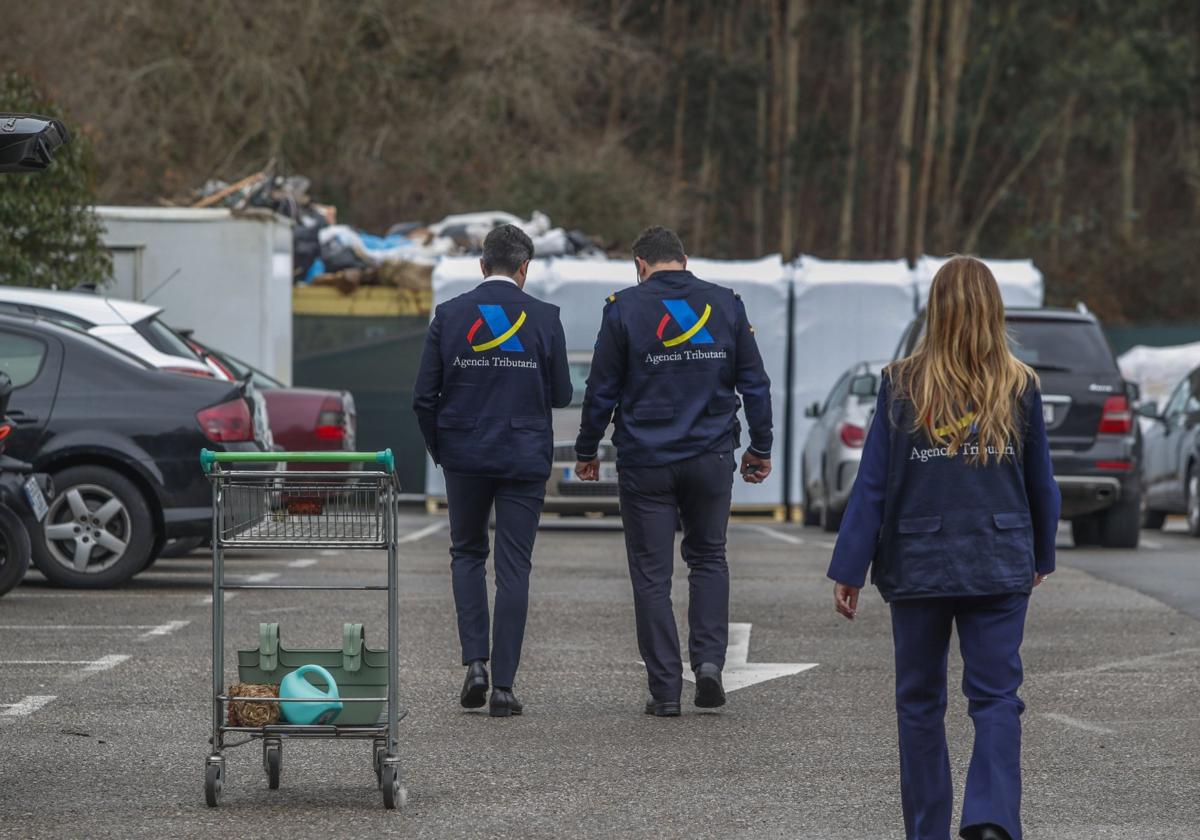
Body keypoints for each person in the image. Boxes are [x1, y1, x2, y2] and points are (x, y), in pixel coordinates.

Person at [826, 256, 1061, 840]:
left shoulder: (901, 383)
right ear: (994, 310)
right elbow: (1042, 484)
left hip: (919, 560)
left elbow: (874, 484)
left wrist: (850, 567)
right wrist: (1041, 555)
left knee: (919, 703)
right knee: (997, 698)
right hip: (1000, 557)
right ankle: (990, 819)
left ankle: (927, 831)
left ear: (935, 309)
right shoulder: (1020, 384)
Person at [574, 225, 773, 717]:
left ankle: (665, 690)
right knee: (709, 558)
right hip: (710, 457)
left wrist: (586, 449)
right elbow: (756, 384)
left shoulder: (623, 307)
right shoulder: (726, 304)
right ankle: (708, 665)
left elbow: (601, 390)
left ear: (640, 265)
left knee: (651, 575)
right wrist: (760, 447)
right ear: (684, 259)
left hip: (646, 461)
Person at [412, 224, 572, 717]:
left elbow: (423, 398)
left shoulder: (450, 315)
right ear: (525, 269)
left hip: (465, 456)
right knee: (514, 567)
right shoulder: (545, 318)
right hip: (524, 457)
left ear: (482, 266)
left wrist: (445, 452)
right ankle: (504, 686)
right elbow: (563, 394)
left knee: (466, 554)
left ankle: (475, 664)